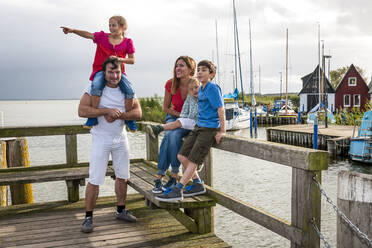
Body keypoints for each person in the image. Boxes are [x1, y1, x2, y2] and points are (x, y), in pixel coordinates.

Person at [78, 57, 142, 233]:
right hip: (101, 139)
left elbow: (138, 112)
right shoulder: (94, 87)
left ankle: (121, 210)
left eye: (117, 72)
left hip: (121, 139)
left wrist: (119, 115)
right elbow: (81, 110)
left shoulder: (126, 89)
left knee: (123, 176)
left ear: (122, 72)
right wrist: (105, 111)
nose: (114, 76)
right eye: (110, 72)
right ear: (104, 73)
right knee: (95, 179)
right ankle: (88, 217)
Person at [156, 60, 225, 202]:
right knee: (182, 156)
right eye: (199, 70)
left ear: (212, 74)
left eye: (204, 70)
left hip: (209, 129)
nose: (200, 72)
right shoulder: (201, 89)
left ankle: (178, 188)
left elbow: (220, 109)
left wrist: (222, 130)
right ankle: (198, 184)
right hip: (199, 126)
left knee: (193, 159)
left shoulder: (212, 88)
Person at [61, 15, 138, 131]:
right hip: (100, 71)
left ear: (122, 27)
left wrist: (119, 59)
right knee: (96, 86)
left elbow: (132, 60)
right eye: (109, 25)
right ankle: (93, 117)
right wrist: (73, 31)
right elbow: (88, 35)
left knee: (129, 90)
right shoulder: (102, 37)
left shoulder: (128, 42)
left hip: (118, 73)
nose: (111, 28)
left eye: (114, 25)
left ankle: (128, 119)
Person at [151, 56, 196, 194]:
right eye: (177, 66)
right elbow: (166, 108)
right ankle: (165, 177)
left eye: (182, 66)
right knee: (171, 134)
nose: (178, 68)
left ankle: (170, 176)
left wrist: (185, 120)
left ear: (190, 69)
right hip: (174, 116)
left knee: (172, 134)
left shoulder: (195, 85)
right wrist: (180, 118)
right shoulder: (170, 84)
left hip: (190, 118)